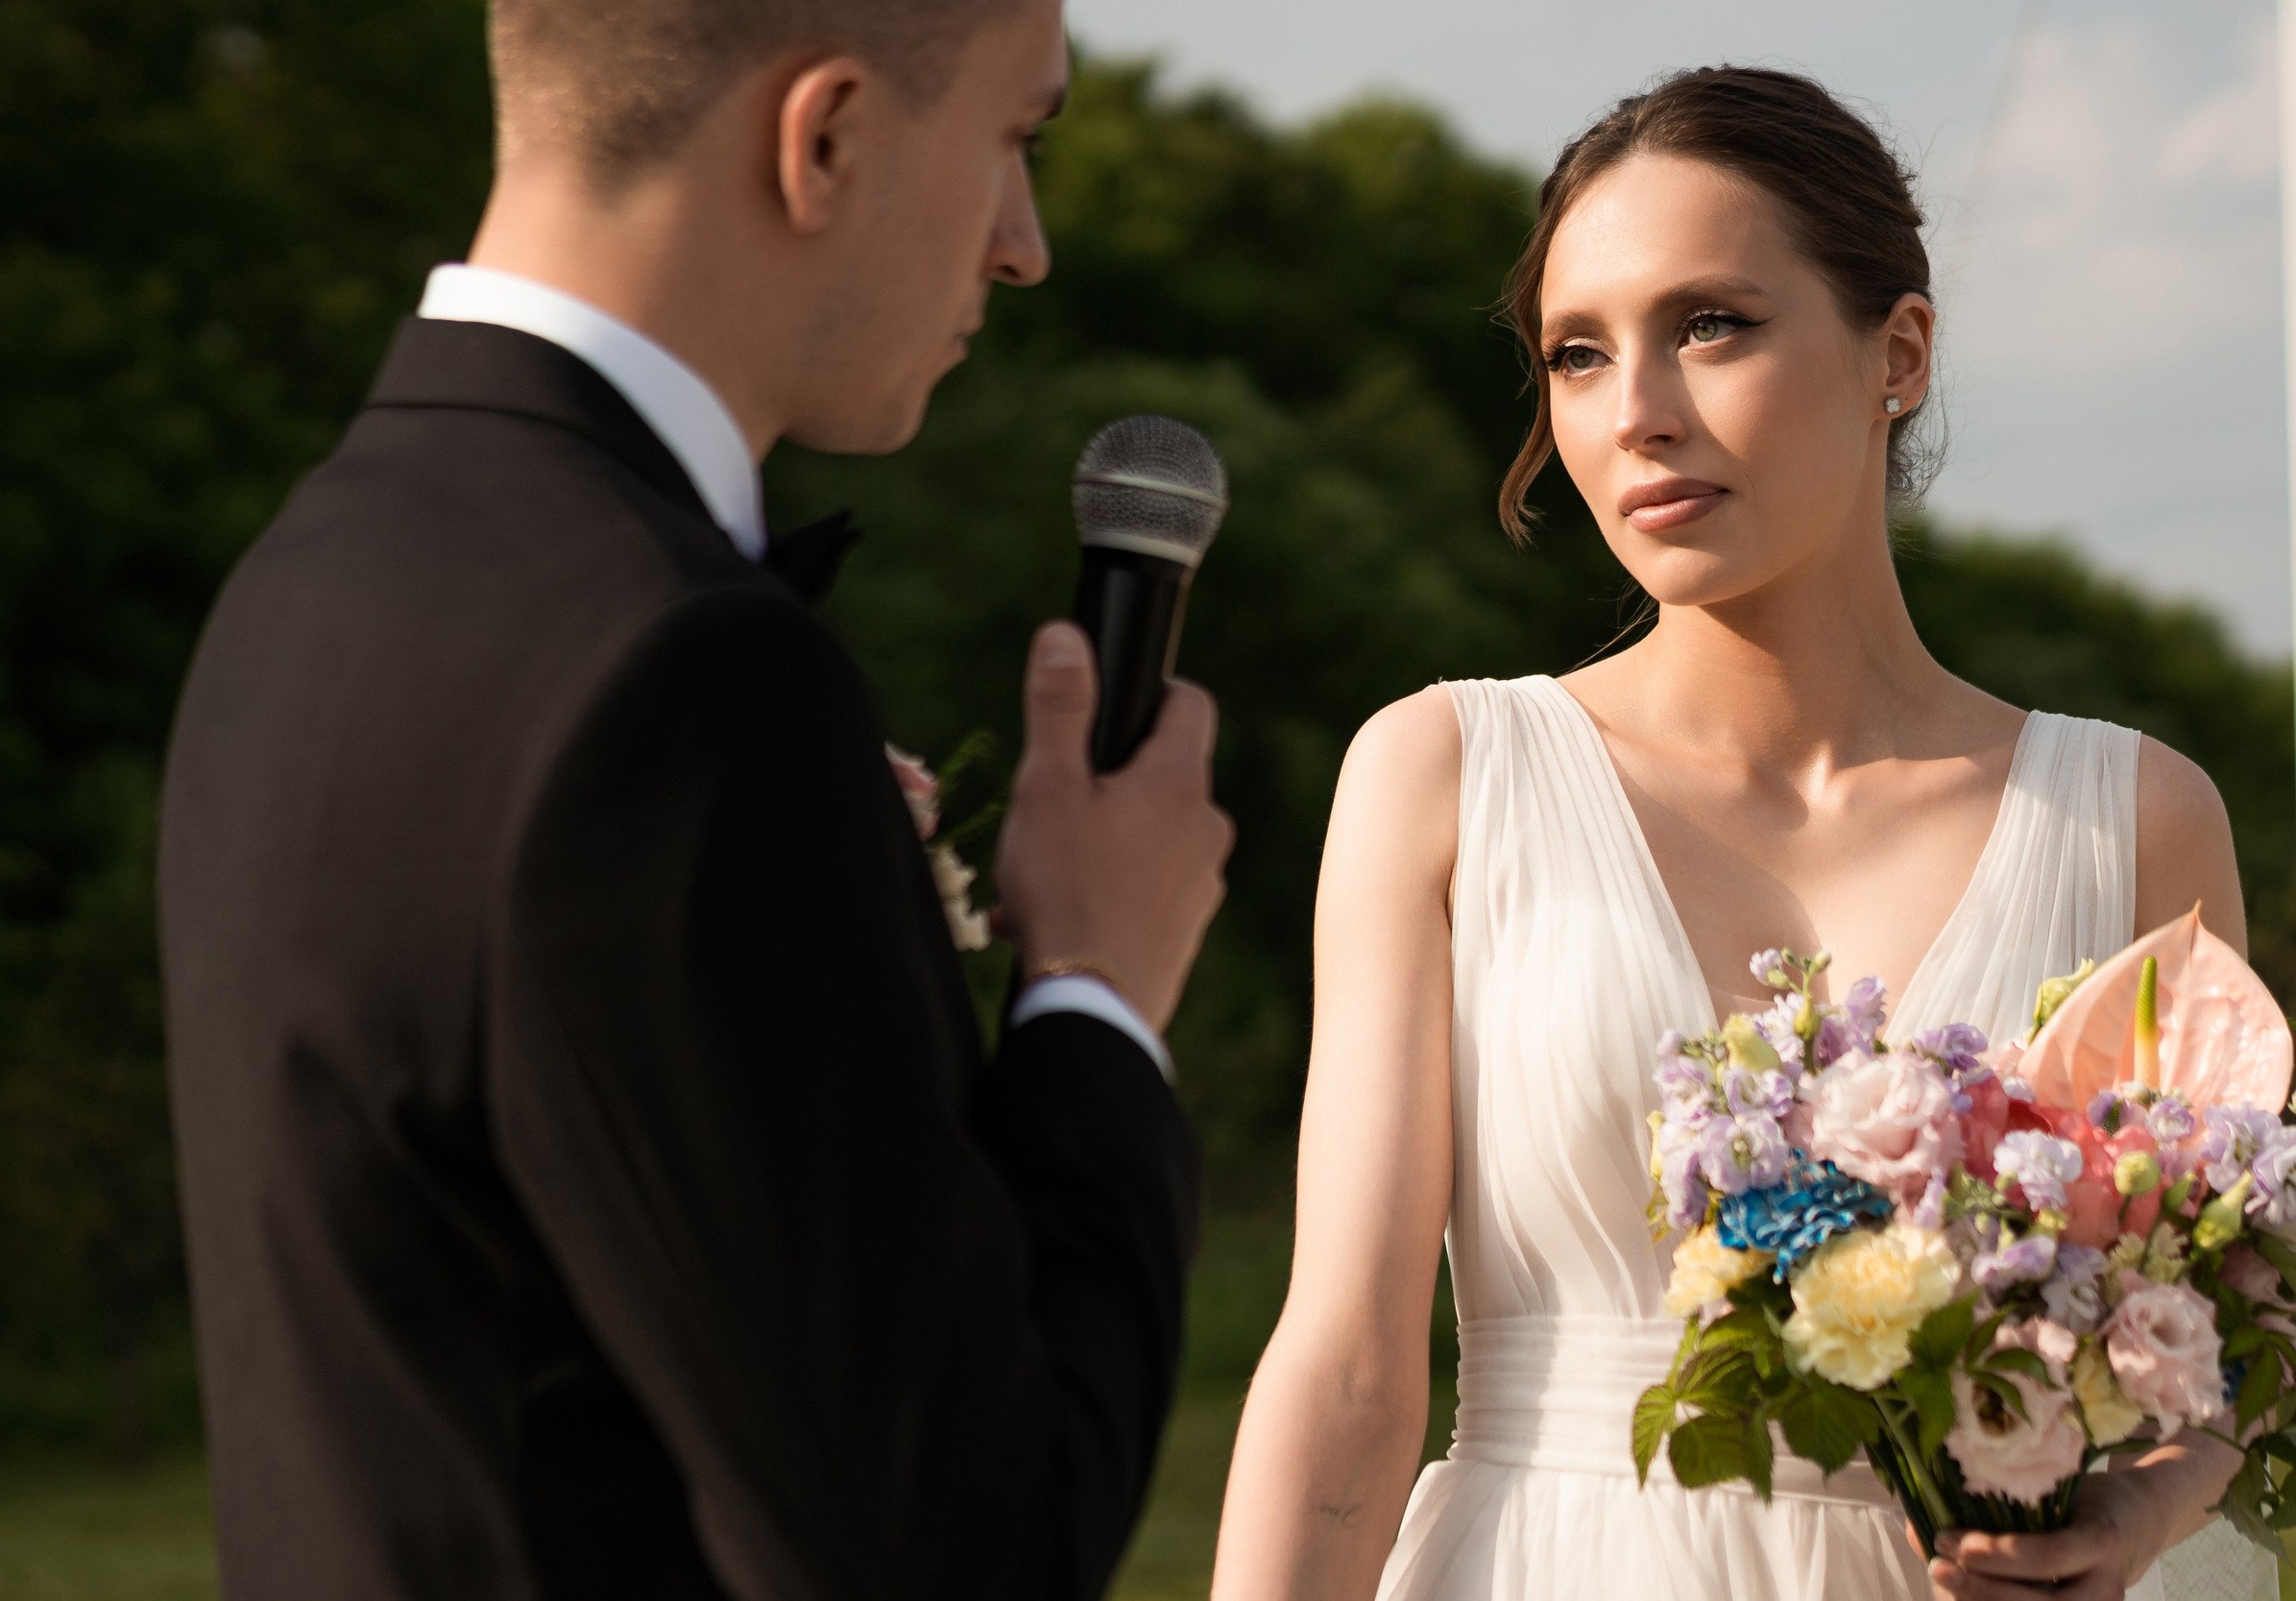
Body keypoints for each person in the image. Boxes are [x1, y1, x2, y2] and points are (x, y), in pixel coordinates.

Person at [157, 0, 1235, 1596]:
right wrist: (1095, 995)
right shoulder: (678, 683)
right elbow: (959, 1549)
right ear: (830, 139)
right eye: (1018, 139)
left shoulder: (312, 567)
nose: (1024, 247)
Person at [1210, 66, 2269, 1601]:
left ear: (1897, 350)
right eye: (1577, 355)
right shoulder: (1443, 774)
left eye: (1710, 324)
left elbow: (2228, 1335)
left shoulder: (2136, 821)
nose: (1636, 414)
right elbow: (1348, 1373)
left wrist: (2143, 1515)